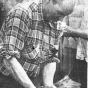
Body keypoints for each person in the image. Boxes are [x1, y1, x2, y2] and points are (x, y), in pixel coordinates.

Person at [0, 0, 76, 88]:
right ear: (49, 1)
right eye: (59, 13)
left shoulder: (57, 23)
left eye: (64, 16)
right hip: (7, 79)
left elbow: (51, 57)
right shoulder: (22, 13)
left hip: (33, 79)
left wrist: (48, 85)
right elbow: (8, 57)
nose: (60, 19)